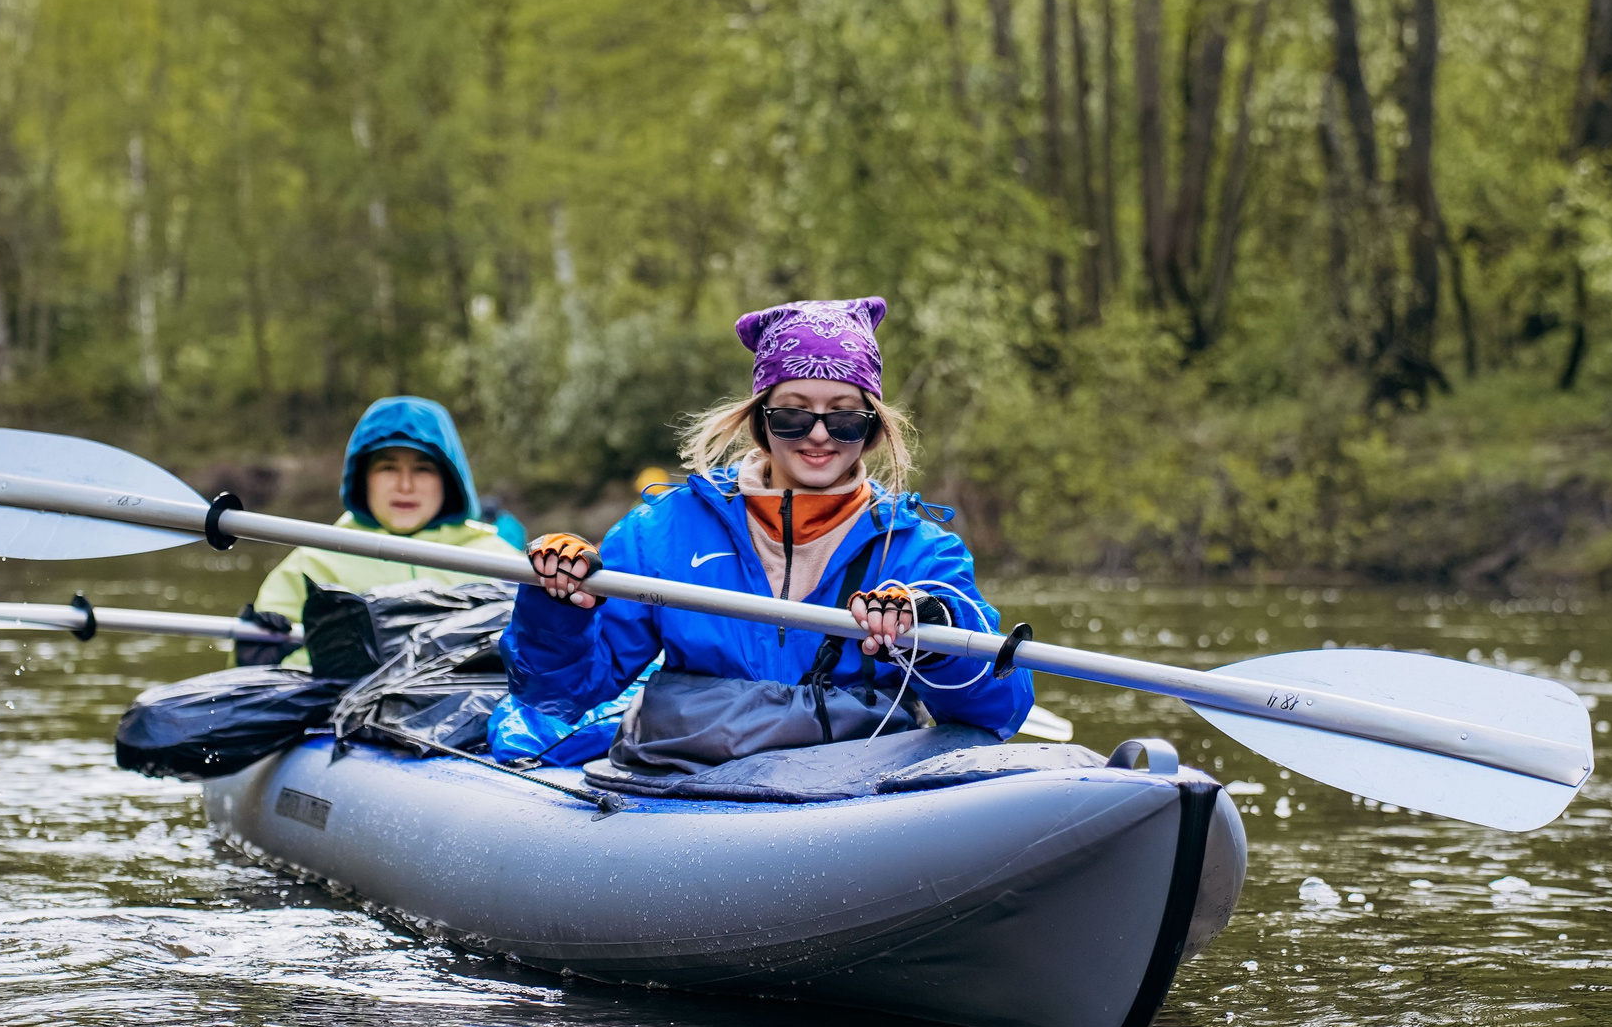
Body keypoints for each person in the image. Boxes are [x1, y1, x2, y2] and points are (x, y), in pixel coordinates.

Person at [500, 296, 1032, 743]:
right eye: (794, 414)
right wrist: (557, 605)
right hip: (686, 782)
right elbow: (561, 695)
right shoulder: (658, 534)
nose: (819, 435)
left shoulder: (920, 552)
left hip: (856, 791)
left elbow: (999, 713)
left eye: (845, 416)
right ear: (761, 422)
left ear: (870, 430)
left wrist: (936, 633)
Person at [249, 396, 521, 663]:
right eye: (388, 468)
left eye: (423, 469)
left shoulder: (501, 564)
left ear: (448, 481)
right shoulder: (310, 562)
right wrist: (253, 656)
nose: (405, 486)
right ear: (363, 478)